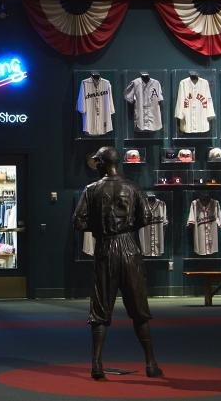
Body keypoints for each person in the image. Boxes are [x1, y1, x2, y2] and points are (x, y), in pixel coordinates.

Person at [72, 146, 163, 380]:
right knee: (139, 309)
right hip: (130, 248)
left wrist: (100, 225)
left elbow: (78, 222)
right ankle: (151, 364)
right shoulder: (132, 187)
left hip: (105, 248)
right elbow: (147, 217)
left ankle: (97, 365)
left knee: (100, 310)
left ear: (102, 163)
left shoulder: (91, 189)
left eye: (97, 162)